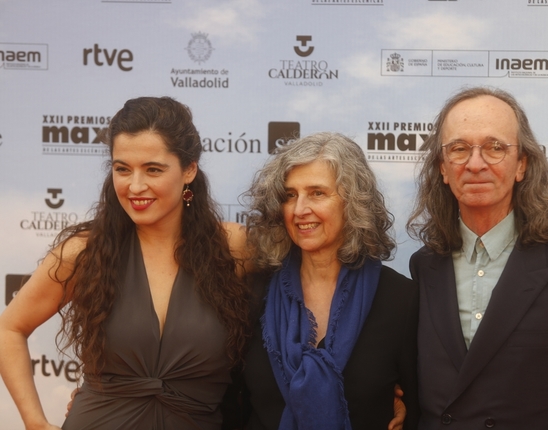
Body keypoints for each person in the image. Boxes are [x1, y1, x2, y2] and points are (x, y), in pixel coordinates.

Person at [0, 97, 249, 429]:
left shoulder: (234, 246)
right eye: (122, 169)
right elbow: (9, 329)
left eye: (153, 169)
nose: (135, 186)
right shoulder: (84, 252)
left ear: (189, 170)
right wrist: (34, 422)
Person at [406, 86, 548, 429]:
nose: (475, 163)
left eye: (494, 147)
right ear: (443, 168)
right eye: (459, 149)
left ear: (522, 165)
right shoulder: (424, 266)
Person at [241, 132, 419, 430]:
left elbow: (420, 406)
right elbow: (233, 403)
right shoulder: (254, 292)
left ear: (353, 202)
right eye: (290, 195)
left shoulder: (401, 299)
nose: (299, 210)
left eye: (317, 193)